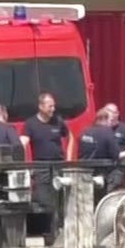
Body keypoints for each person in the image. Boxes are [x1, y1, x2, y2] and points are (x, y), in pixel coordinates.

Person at [23, 92, 73, 237]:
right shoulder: (31, 123)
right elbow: (23, 142)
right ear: (41, 106)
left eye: (54, 106)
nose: (53, 109)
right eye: (50, 106)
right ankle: (47, 231)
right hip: (41, 166)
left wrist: (68, 159)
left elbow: (70, 137)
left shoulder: (58, 121)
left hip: (58, 166)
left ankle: (59, 231)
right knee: (43, 199)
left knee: (60, 199)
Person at [80, 109, 125, 195]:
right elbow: (115, 154)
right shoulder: (107, 132)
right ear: (106, 119)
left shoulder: (85, 131)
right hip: (101, 173)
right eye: (109, 120)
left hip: (85, 172)